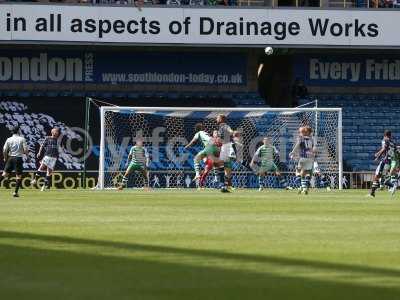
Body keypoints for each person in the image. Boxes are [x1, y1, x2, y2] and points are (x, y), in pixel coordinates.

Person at [369, 130, 400, 197]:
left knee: (377, 176)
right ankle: (373, 193)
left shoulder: (385, 140)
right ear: (390, 135)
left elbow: (384, 148)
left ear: (384, 135)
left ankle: (373, 193)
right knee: (382, 177)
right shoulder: (393, 142)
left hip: (385, 161)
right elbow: (396, 151)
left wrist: (378, 155)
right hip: (390, 162)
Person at [1, 125, 28, 197]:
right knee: (18, 176)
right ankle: (15, 192)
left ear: (12, 132)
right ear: (18, 131)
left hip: (11, 158)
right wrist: (27, 156)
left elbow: (4, 150)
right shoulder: (22, 139)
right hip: (18, 158)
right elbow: (25, 150)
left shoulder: (9, 139)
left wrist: (5, 158)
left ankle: (15, 193)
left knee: (4, 174)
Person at [289, 126, 316, 195]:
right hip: (310, 158)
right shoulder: (312, 139)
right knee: (306, 173)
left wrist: (292, 152)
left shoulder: (300, 138)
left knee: (298, 171)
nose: (299, 132)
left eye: (300, 131)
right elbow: (314, 149)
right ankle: (304, 188)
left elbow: (297, 145)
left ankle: (301, 186)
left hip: (303, 157)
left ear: (304, 132)